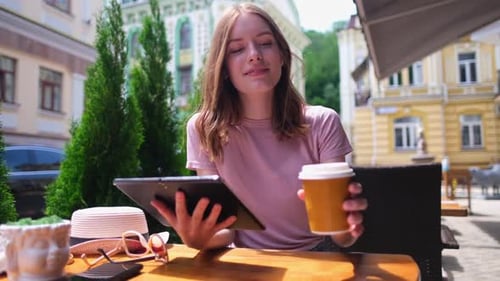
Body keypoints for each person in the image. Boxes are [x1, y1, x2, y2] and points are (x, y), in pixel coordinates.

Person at [151, 2, 367, 251]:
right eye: (237, 49)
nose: (254, 54)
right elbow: (224, 232)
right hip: (245, 266)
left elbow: (340, 235)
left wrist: (347, 225)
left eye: (265, 43)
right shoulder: (203, 128)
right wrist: (197, 238)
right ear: (223, 68)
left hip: (314, 262)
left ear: (283, 57)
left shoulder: (323, 123)